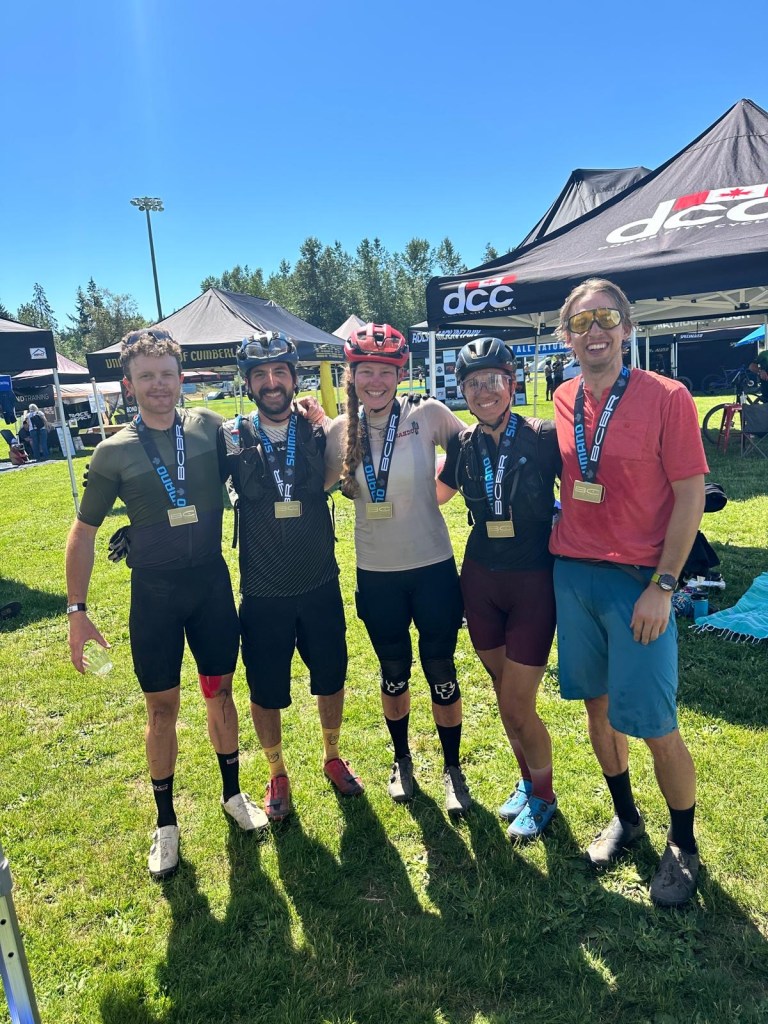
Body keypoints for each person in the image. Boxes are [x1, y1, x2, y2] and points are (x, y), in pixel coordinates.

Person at [65, 328, 268, 882]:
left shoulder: (209, 428)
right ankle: (166, 823)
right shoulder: (113, 451)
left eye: (167, 375)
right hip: (154, 596)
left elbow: (260, 454)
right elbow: (83, 532)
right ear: (128, 385)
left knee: (220, 692)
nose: (159, 385)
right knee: (161, 710)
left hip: (210, 588)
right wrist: (77, 613)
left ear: (182, 379)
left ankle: (233, 794)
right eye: (146, 376)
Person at [550, 278, 707, 908]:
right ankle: (627, 817)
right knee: (597, 707)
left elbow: (691, 496)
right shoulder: (562, 397)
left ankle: (684, 844)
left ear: (628, 328)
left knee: (655, 724)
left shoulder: (668, 397)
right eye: (581, 323)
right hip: (574, 576)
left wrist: (664, 585)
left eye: (606, 319)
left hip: (641, 584)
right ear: (566, 337)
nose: (595, 332)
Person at [325, 323, 471, 815]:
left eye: (385, 372)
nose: (376, 381)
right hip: (377, 573)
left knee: (441, 670)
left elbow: (471, 446)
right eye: (366, 371)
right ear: (352, 375)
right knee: (393, 673)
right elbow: (311, 482)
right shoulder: (341, 429)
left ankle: (452, 768)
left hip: (432, 568)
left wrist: (441, 492)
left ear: (400, 374)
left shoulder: (425, 413)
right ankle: (402, 759)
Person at [218, 330, 363, 823]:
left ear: (294, 377)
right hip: (263, 592)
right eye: (260, 374)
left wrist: (324, 418)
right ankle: (276, 770)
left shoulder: (317, 430)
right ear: (248, 383)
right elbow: (196, 487)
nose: (271, 382)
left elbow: (351, 444)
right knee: (265, 690)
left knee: (331, 677)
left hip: (320, 582)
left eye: (279, 371)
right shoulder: (231, 437)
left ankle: (332, 754)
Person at [436, 338, 561, 839]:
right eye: (472, 383)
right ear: (462, 391)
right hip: (481, 581)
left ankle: (545, 795)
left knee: (516, 703)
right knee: (503, 692)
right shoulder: (463, 444)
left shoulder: (544, 436)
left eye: (492, 380)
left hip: (533, 583)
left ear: (512, 383)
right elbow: (434, 494)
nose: (483, 391)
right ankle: (528, 782)